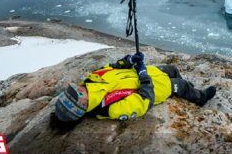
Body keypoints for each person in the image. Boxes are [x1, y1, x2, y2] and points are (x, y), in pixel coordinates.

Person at [54, 52, 216, 122]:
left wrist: (128, 61)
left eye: (71, 90)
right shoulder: (110, 108)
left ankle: (185, 91)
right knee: (180, 85)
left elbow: (110, 68)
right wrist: (144, 77)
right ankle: (200, 98)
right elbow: (144, 102)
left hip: (142, 74)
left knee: (172, 69)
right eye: (76, 94)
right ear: (82, 106)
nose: (78, 89)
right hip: (153, 87)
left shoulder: (90, 81)